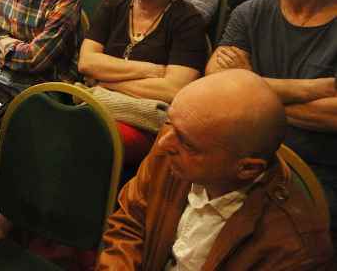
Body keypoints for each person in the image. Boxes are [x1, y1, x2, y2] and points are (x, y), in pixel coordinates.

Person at [98, 70, 333, 270]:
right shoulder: (171, 151)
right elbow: (129, 225)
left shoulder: (296, 249)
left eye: (187, 143)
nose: (163, 143)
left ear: (247, 169)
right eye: (169, 122)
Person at [207, 0, 337, 243]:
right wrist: (312, 90)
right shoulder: (250, 12)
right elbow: (218, 87)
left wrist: (249, 85)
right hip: (241, 158)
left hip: (319, 170)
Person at [81, 0, 207, 163]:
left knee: (89, 138)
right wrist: (151, 70)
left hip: (146, 121)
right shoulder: (112, 5)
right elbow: (87, 63)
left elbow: (173, 90)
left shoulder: (187, 20)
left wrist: (107, 80)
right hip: (99, 106)